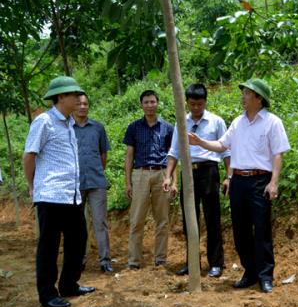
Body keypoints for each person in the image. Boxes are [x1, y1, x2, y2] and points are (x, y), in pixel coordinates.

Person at [188, 79, 290, 293]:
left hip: (260, 181)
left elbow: (278, 153)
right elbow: (222, 145)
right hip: (238, 181)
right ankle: (250, 272)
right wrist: (201, 142)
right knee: (240, 230)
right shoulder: (237, 123)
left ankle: (265, 276)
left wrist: (274, 182)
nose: (242, 97)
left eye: (246, 94)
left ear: (258, 98)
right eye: (243, 93)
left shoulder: (272, 122)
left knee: (261, 230)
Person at [23, 76, 95, 307]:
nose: (78, 98)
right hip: (50, 195)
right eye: (74, 94)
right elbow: (29, 155)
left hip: (71, 195)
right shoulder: (44, 121)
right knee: (49, 246)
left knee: (78, 240)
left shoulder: (69, 123)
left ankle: (69, 285)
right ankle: (47, 294)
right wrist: (33, 187)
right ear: (61, 97)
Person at [163, 84, 231, 278]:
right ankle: (192, 263)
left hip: (209, 171)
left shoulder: (216, 122)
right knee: (189, 219)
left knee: (212, 218)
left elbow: (226, 150)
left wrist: (229, 175)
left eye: (199, 104)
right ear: (187, 102)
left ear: (205, 102)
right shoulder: (181, 122)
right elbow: (174, 151)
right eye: (192, 104)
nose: (195, 108)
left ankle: (216, 263)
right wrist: (168, 175)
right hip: (188, 173)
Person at [123, 90, 175, 269]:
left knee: (162, 220)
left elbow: (172, 156)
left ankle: (160, 259)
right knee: (137, 220)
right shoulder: (134, 127)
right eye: (146, 102)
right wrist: (128, 182)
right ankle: (134, 261)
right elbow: (129, 156)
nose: (150, 105)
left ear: (158, 103)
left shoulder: (167, 128)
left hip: (162, 175)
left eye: (152, 102)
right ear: (141, 105)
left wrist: (173, 180)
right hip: (141, 175)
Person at [73, 94, 113, 273]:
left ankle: (105, 261)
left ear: (89, 106)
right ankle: (78, 260)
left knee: (100, 222)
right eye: (79, 104)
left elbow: (103, 156)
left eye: (85, 104)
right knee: (76, 224)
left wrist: (96, 170)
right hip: (74, 184)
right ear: (74, 106)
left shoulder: (98, 128)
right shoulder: (67, 128)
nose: (82, 106)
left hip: (97, 182)